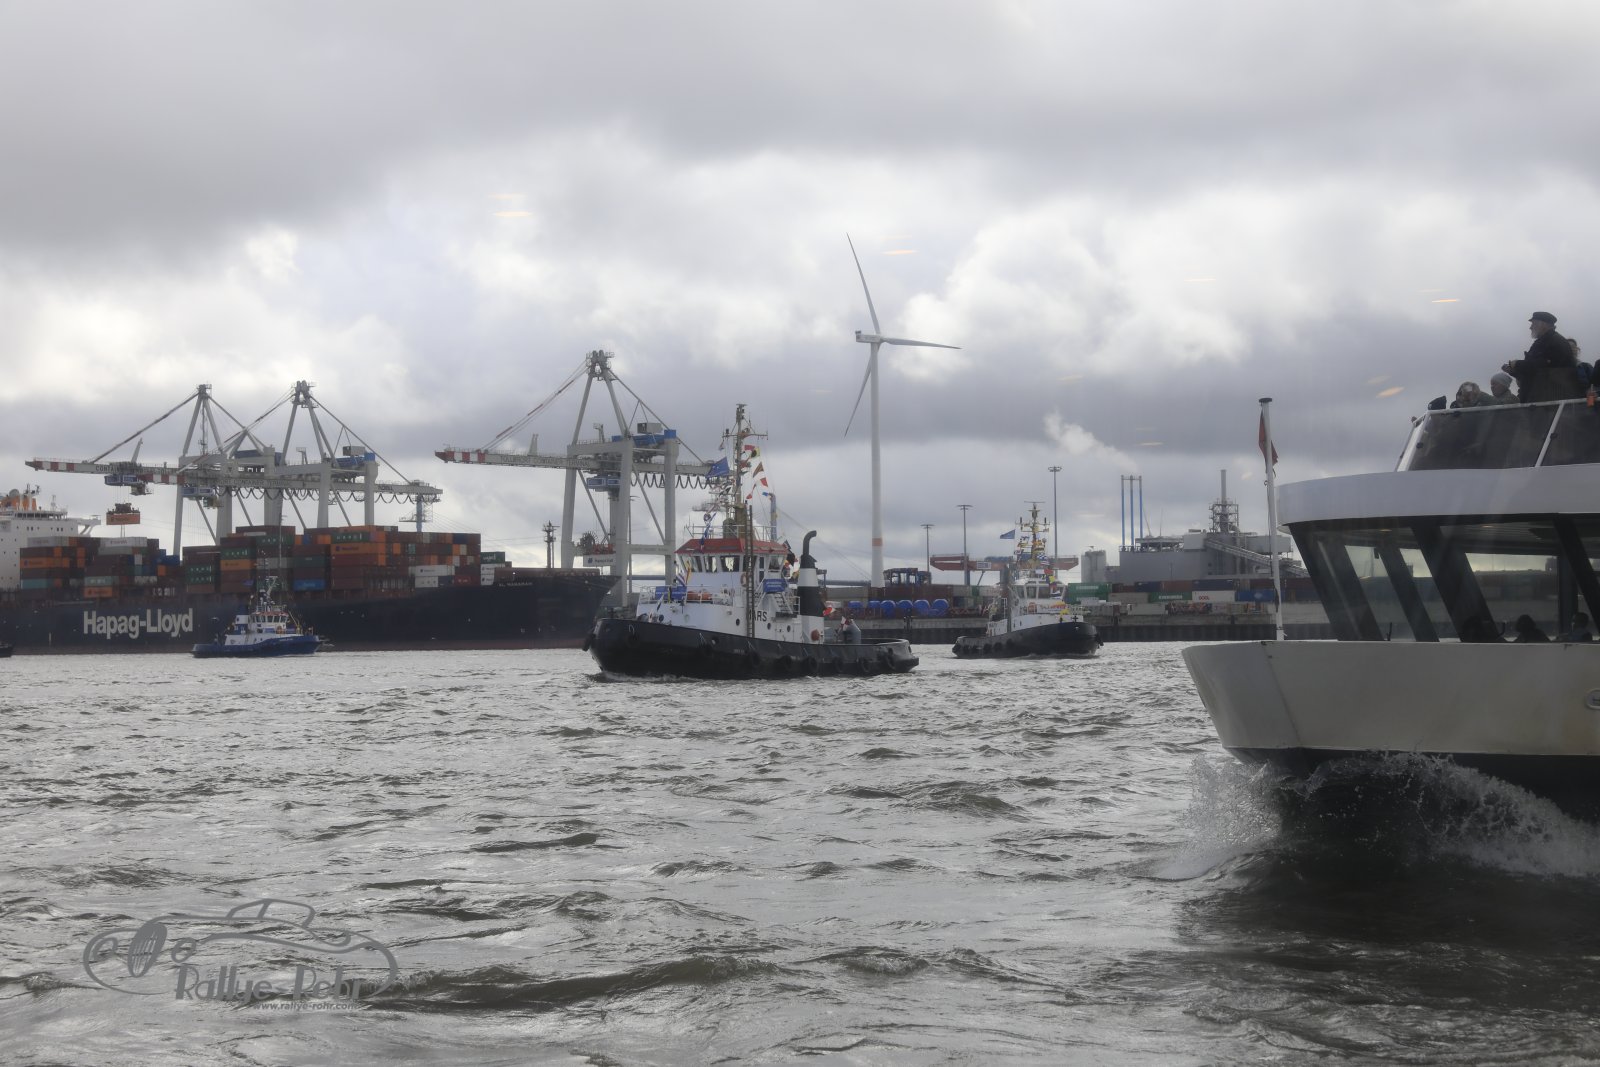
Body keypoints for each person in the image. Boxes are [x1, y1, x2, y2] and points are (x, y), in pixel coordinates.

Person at [1503, 311, 1581, 403]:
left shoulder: (1556, 341)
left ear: (1543, 324)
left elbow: (1543, 367)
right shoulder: (1543, 342)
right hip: (1540, 400)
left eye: (1533, 324)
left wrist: (1518, 364)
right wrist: (1514, 371)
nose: (1530, 327)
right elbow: (1533, 373)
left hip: (1551, 401)